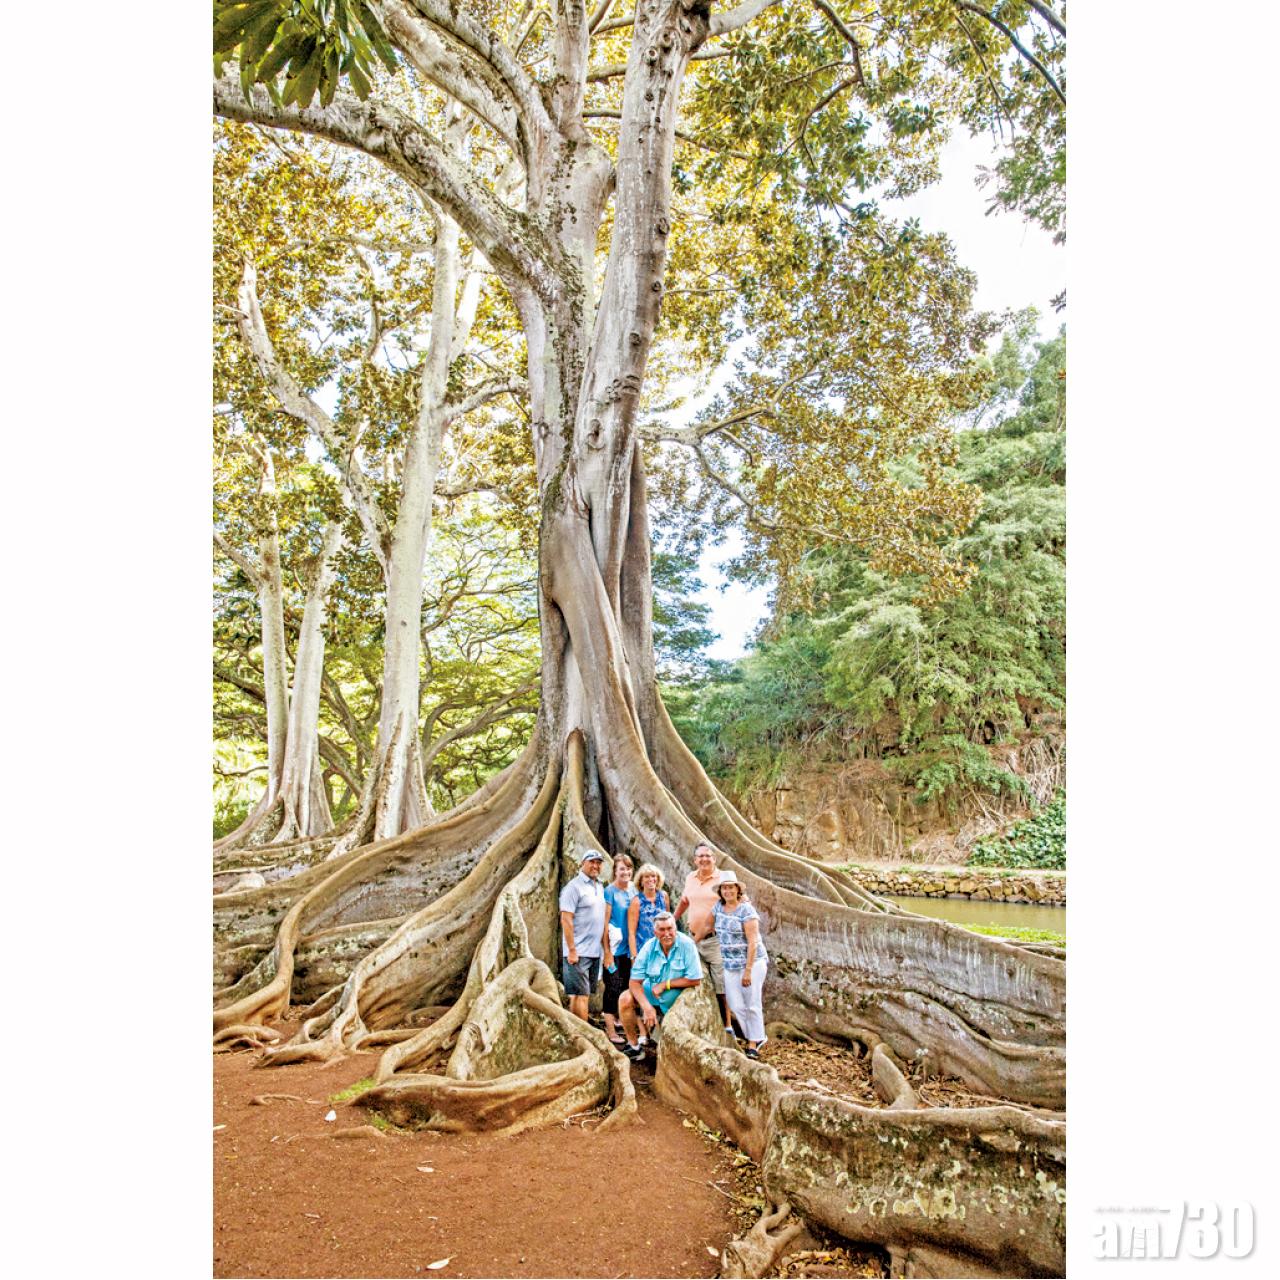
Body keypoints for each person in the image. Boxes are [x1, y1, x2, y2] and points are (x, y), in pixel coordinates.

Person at [618, 912, 701, 1061]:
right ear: (655, 932)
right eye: (662, 930)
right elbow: (634, 982)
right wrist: (646, 1007)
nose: (667, 933)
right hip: (652, 995)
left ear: (676, 929)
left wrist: (666, 984)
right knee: (625, 999)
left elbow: (695, 979)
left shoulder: (687, 945)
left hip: (676, 1004)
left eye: (670, 928)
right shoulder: (649, 947)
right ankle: (634, 1047)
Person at [674, 842, 731, 1036]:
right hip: (692, 939)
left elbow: (735, 901)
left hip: (715, 940)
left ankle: (727, 1025)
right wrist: (673, 920)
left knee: (720, 984)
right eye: (701, 856)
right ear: (694, 860)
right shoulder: (691, 877)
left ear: (714, 859)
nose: (705, 859)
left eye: (708, 856)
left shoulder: (723, 878)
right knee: (690, 978)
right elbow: (684, 901)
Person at [712, 871, 769, 1058]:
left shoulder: (746, 910)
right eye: (724, 888)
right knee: (736, 1005)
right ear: (720, 891)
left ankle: (753, 1042)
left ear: (737, 889)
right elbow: (707, 926)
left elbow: (753, 942)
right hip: (730, 964)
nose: (727, 891)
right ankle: (755, 1034)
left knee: (752, 1002)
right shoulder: (718, 908)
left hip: (752, 963)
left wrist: (748, 971)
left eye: (730, 887)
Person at [559, 848, 609, 1022]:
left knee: (577, 995)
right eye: (591, 862)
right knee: (582, 995)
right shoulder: (573, 888)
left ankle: (576, 1032)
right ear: (582, 863)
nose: (595, 865)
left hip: (595, 951)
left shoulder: (600, 887)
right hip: (578, 952)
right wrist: (572, 949)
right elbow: (566, 919)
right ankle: (584, 1034)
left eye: (598, 862)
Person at [601, 853, 638, 1046]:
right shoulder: (609, 892)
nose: (626, 872)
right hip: (614, 951)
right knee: (613, 988)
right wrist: (606, 952)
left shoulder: (633, 890)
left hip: (629, 951)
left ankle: (621, 1021)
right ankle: (610, 1030)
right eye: (622, 868)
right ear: (615, 871)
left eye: (628, 868)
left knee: (627, 989)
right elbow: (604, 923)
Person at [627, 862, 670, 957]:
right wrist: (634, 958)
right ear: (641, 881)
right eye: (647, 877)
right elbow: (631, 933)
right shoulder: (636, 902)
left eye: (653, 876)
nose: (651, 879)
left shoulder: (664, 896)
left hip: (663, 950)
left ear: (657, 879)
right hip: (643, 952)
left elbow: (669, 925)